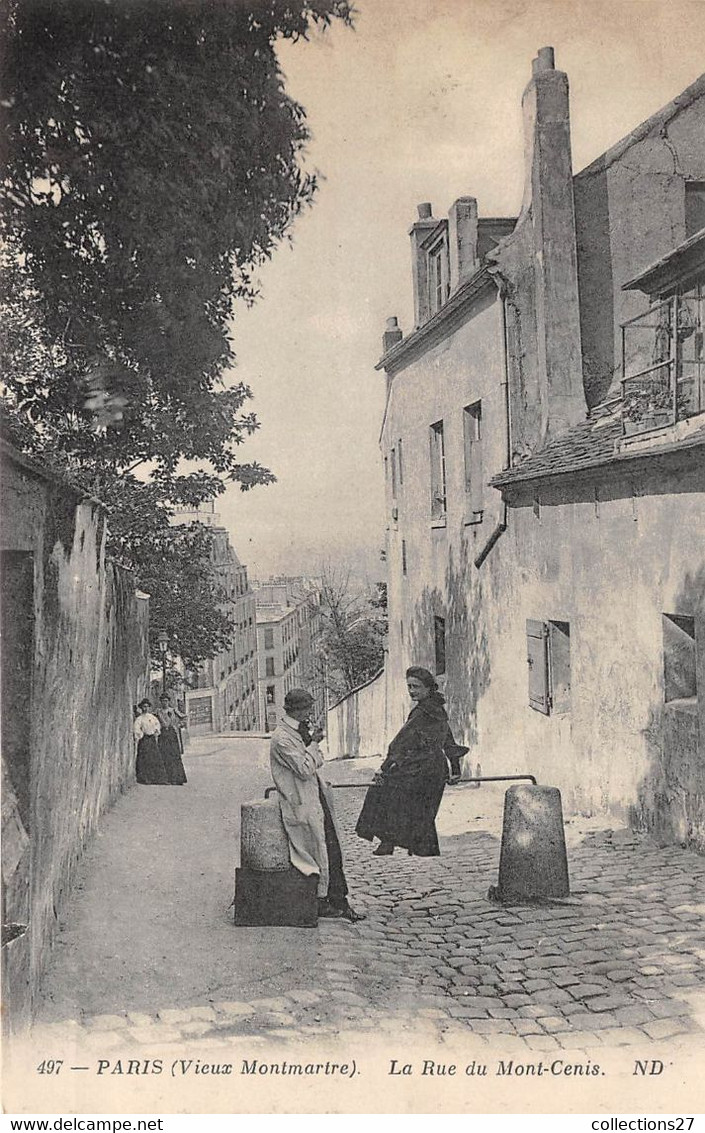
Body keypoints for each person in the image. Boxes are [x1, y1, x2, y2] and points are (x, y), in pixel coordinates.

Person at [270, 688, 364, 922]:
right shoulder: (282, 738)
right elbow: (305, 768)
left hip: (314, 797)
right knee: (318, 853)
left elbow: (316, 761)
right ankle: (327, 902)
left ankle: (338, 901)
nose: (310, 714)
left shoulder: (299, 731)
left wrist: (312, 747)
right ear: (298, 710)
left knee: (331, 850)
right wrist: (313, 745)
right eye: (307, 710)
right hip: (300, 802)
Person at [355, 666, 453, 856]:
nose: (411, 691)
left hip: (424, 767)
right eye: (409, 686)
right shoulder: (436, 708)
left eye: (416, 687)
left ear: (428, 688)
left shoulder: (422, 712)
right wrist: (454, 769)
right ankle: (407, 843)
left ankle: (388, 840)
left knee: (383, 788)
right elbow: (449, 741)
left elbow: (400, 742)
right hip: (434, 767)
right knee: (411, 803)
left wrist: (383, 768)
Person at [133, 698, 170, 785]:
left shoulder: (152, 717)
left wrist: (156, 732)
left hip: (152, 739)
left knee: (155, 758)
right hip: (144, 739)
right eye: (144, 707)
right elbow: (136, 729)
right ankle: (145, 778)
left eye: (147, 706)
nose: (145, 708)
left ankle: (158, 779)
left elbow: (157, 725)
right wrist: (140, 735)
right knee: (144, 759)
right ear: (141, 708)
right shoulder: (139, 719)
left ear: (149, 707)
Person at [156, 694, 187, 785]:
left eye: (166, 701)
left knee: (174, 755)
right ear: (160, 702)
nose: (164, 703)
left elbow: (184, 717)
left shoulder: (173, 711)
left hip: (172, 735)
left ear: (169, 701)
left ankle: (177, 778)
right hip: (163, 735)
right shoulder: (158, 712)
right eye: (163, 701)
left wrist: (179, 725)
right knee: (164, 755)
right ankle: (166, 778)